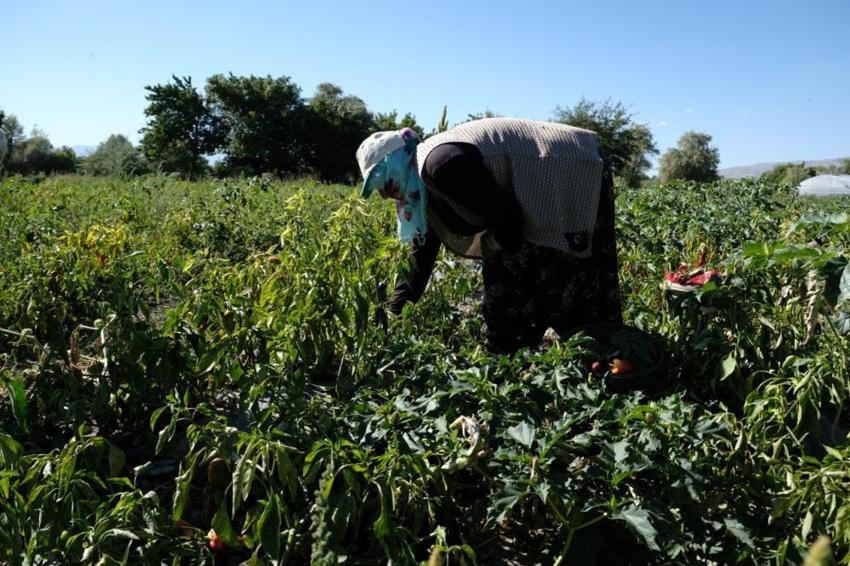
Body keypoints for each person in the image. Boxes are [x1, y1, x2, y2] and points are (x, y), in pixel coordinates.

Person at [355, 117, 622, 354]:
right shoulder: (422, 190)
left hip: (569, 168)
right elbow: (420, 257)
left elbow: (508, 220)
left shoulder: (440, 165)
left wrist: (495, 248)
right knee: (513, 288)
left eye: (381, 179)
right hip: (541, 184)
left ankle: (601, 356)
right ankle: (522, 353)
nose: (383, 194)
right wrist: (393, 314)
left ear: (397, 162)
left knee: (563, 280)